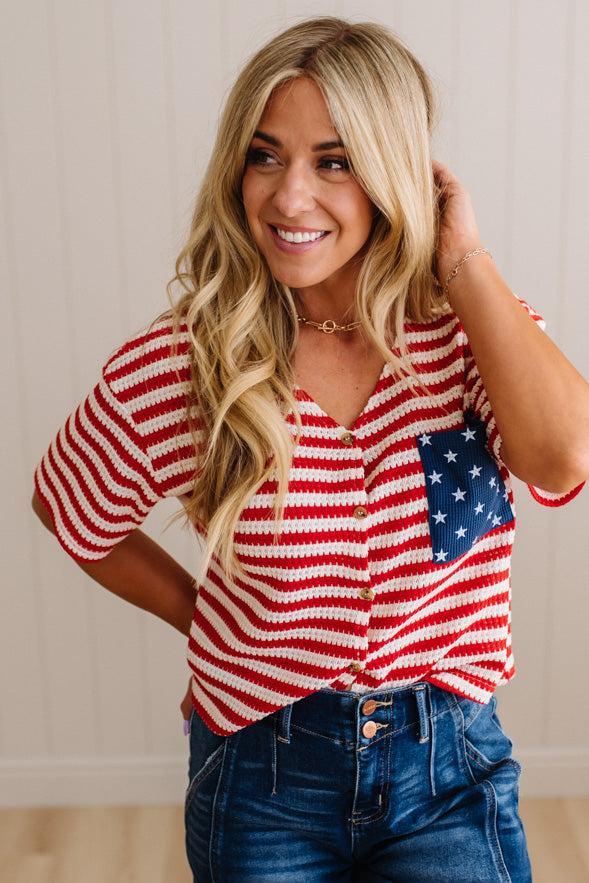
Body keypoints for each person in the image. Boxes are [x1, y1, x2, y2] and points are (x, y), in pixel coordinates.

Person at [31, 15, 589, 883]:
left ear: (394, 173)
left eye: (335, 161)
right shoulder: (188, 360)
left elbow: (563, 459)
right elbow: (70, 507)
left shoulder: (467, 336)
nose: (289, 198)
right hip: (262, 777)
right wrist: (203, 620)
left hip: (447, 772)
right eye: (265, 156)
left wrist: (464, 257)